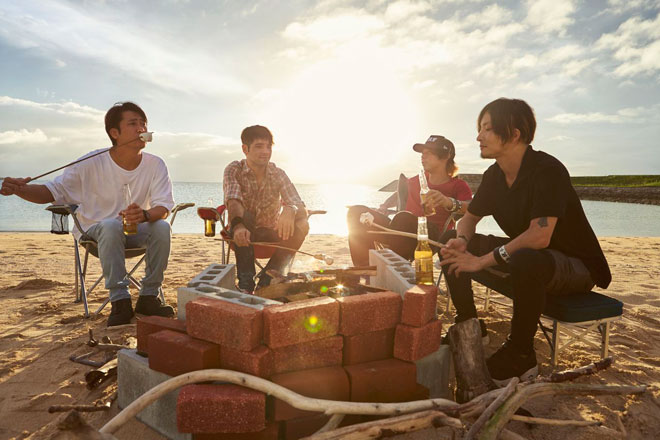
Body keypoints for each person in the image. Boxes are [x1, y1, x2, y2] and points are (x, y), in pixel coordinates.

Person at [440, 98, 611, 384]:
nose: (478, 136)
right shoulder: (494, 176)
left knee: (526, 258)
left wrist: (481, 261)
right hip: (532, 259)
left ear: (514, 133)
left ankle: (521, 354)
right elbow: (468, 218)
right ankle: (469, 323)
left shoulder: (547, 170)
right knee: (448, 241)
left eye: (487, 128)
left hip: (576, 266)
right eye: (480, 128)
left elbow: (539, 236)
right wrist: (461, 240)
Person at [0, 102, 176, 326]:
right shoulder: (91, 162)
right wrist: (20, 190)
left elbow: (163, 207)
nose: (141, 128)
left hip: (134, 232)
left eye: (144, 124)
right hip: (95, 233)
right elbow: (52, 191)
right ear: (115, 133)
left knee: (162, 227)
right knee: (111, 225)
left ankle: (149, 297)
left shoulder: (155, 164)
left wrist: (144, 215)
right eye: (133, 124)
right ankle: (120, 300)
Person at [347, 135, 472, 266]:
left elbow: (471, 208)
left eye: (429, 153)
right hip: (399, 231)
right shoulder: (418, 180)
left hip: (429, 237)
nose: (423, 157)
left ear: (446, 156)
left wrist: (448, 202)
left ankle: (392, 268)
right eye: (422, 153)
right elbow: (399, 193)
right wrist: (385, 205)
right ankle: (365, 269)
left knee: (403, 218)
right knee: (356, 212)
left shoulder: (457, 185)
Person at [223, 125, 309, 292]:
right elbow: (233, 200)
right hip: (241, 232)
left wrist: (290, 209)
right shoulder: (234, 169)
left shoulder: (278, 173)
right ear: (245, 149)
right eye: (259, 146)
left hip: (271, 231)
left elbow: (298, 203)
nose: (265, 151)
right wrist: (238, 225)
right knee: (246, 216)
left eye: (268, 146)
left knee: (303, 223)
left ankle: (267, 279)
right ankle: (246, 284)